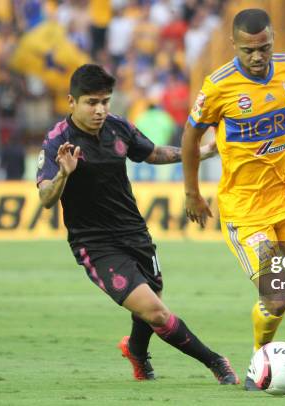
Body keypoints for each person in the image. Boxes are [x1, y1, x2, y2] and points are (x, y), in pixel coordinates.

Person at [36, 64, 239, 384]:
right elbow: (46, 198)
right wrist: (64, 173)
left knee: (151, 297)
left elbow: (152, 153)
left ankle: (137, 352)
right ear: (72, 102)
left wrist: (200, 152)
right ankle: (215, 361)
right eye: (92, 102)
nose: (100, 110)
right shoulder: (57, 142)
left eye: (105, 101)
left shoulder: (118, 127)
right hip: (96, 243)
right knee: (156, 311)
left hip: (135, 232)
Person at [181, 9, 285, 390]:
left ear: (273, 40)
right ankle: (262, 356)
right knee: (278, 295)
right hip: (246, 211)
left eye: (265, 47)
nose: (258, 56)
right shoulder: (218, 85)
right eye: (249, 49)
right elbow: (191, 137)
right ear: (234, 44)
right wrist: (192, 191)